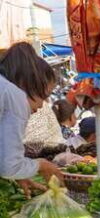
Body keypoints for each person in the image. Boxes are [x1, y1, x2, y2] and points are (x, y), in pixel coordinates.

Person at [0, 42, 62, 189]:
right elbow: (9, 166)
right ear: (27, 83)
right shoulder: (14, 96)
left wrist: (19, 174)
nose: (42, 105)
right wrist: (42, 165)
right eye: (44, 96)